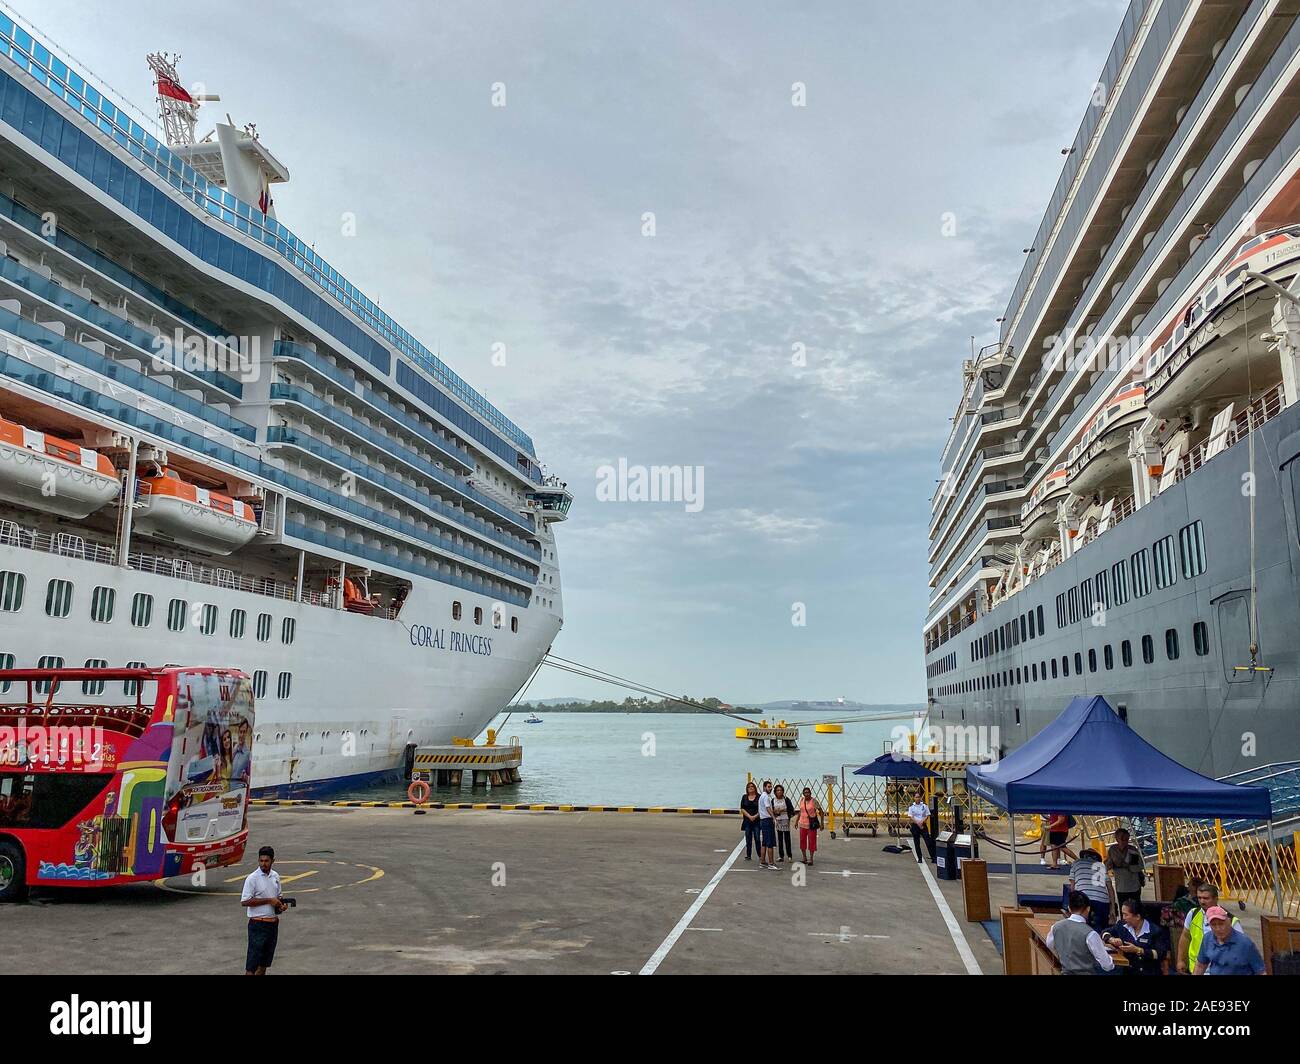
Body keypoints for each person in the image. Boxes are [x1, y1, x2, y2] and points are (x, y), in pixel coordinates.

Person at [1176, 882, 1243, 974]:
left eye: (1206, 898)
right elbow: (1185, 936)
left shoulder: (1231, 921)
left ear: (1216, 899)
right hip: (1197, 970)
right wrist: (1180, 960)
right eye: (1199, 898)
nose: (1202, 902)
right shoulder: (1193, 914)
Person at [1045, 890, 1115, 975]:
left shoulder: (1056, 927)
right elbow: (1107, 965)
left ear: (1069, 908)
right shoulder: (1090, 934)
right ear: (1088, 909)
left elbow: (1050, 945)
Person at [241, 846, 287, 975]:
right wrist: (268, 900)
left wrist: (280, 906)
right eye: (261, 861)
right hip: (258, 925)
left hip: (272, 924)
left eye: (266, 861)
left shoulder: (275, 876)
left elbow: (278, 897)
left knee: (264, 964)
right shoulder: (252, 878)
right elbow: (245, 901)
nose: (263, 864)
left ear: (273, 861)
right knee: (252, 966)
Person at [1104, 897, 1169, 975]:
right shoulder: (1122, 926)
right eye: (1122, 914)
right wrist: (1111, 939)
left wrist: (1138, 950)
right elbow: (1104, 933)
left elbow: (1160, 954)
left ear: (1137, 916)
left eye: (1126, 915)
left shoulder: (1154, 931)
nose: (1123, 918)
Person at [1193, 906, 1266, 975]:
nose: (1218, 929)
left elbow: (1260, 971)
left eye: (1221, 924)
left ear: (1229, 922)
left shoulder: (1245, 943)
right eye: (1214, 925)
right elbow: (1200, 965)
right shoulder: (1207, 939)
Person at [1069, 849, 1113, 930]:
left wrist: (1071, 904)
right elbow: (1110, 888)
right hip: (1102, 900)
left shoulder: (1077, 863)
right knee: (1100, 929)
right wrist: (1112, 909)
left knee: (1080, 928)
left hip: (1082, 898)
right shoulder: (1101, 865)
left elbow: (1072, 886)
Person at [1105, 828, 1145, 910]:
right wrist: (1110, 863)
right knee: (1123, 909)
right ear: (1117, 839)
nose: (1124, 841)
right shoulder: (1113, 850)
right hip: (1121, 886)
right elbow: (1108, 866)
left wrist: (1126, 865)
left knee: (1135, 910)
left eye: (1126, 839)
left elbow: (1137, 867)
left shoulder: (1132, 850)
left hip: (1133, 886)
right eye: (1122, 839)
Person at [796, 786, 824, 865]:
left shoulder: (814, 801)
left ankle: (811, 859)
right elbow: (800, 811)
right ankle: (804, 858)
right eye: (805, 793)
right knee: (802, 841)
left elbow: (821, 811)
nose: (806, 794)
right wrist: (796, 821)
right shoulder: (802, 800)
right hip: (802, 824)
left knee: (812, 842)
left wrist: (822, 823)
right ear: (803, 794)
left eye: (808, 792)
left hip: (811, 825)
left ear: (810, 793)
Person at [906, 791, 935, 864]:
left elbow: (927, 815)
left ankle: (933, 857)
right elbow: (911, 816)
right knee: (917, 843)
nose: (918, 798)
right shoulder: (911, 806)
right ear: (914, 798)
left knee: (928, 842)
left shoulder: (924, 805)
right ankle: (919, 858)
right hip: (915, 825)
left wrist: (922, 821)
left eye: (919, 797)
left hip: (923, 825)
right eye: (916, 797)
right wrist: (918, 822)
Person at [771, 784, 793, 864]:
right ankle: (781, 856)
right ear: (775, 792)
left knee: (787, 838)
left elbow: (791, 810)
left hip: (785, 819)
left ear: (783, 791)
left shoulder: (786, 799)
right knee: (779, 839)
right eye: (777, 790)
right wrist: (775, 812)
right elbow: (771, 810)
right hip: (778, 820)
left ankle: (789, 855)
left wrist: (784, 811)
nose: (779, 792)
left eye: (780, 790)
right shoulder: (773, 800)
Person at [757, 779, 777, 869]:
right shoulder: (766, 797)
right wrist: (773, 817)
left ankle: (762, 861)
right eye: (769, 787)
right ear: (764, 787)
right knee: (770, 842)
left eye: (771, 787)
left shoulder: (761, 796)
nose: (771, 788)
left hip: (762, 820)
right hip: (767, 820)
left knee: (764, 842)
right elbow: (768, 808)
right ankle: (771, 863)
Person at [740, 782, 761, 861]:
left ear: (755, 788)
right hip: (747, 821)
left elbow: (762, 809)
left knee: (757, 838)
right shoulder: (744, 797)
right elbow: (742, 808)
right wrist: (749, 816)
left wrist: (755, 816)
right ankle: (748, 855)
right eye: (749, 787)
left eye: (752, 786)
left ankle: (760, 855)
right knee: (748, 838)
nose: (751, 788)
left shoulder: (759, 797)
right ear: (747, 789)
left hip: (757, 821)